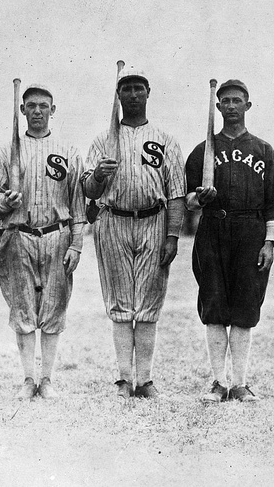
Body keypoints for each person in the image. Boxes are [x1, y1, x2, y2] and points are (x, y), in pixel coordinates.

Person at [82, 68, 186, 399]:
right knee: (120, 303)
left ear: (148, 92)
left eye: (138, 88)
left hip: (153, 221)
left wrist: (172, 235)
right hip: (113, 220)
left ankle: (146, 379)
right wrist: (99, 175)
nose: (132, 94)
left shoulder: (165, 139)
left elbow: (177, 193)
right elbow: (87, 190)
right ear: (119, 95)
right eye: (125, 88)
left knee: (149, 303)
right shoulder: (102, 140)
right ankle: (124, 379)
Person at [185, 79, 274, 403]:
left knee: (245, 306)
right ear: (217, 107)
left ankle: (240, 382)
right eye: (225, 101)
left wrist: (270, 242)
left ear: (247, 105)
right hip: (213, 229)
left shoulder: (263, 150)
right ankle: (218, 382)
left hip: (250, 231)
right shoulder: (203, 150)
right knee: (214, 304)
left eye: (236, 100)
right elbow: (186, 199)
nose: (230, 106)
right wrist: (201, 198)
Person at [0, 84, 86, 399]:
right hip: (18, 235)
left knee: (54, 308)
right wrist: (4, 204)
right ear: (23, 110)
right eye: (31, 105)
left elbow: (78, 203)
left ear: (52, 110)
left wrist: (77, 243)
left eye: (44, 105)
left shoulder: (68, 150)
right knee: (23, 308)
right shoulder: (7, 151)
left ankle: (48, 379)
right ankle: (28, 379)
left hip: (57, 234)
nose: (37, 111)